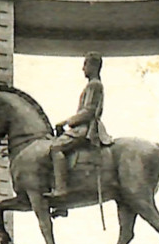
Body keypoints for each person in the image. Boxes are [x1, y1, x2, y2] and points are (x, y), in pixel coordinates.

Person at [45, 52, 113, 199]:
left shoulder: (94, 85)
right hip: (82, 126)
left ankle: (61, 188)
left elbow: (88, 112)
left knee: (56, 148)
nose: (83, 69)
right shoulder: (92, 85)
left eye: (85, 64)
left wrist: (66, 122)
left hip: (87, 128)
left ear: (93, 66)